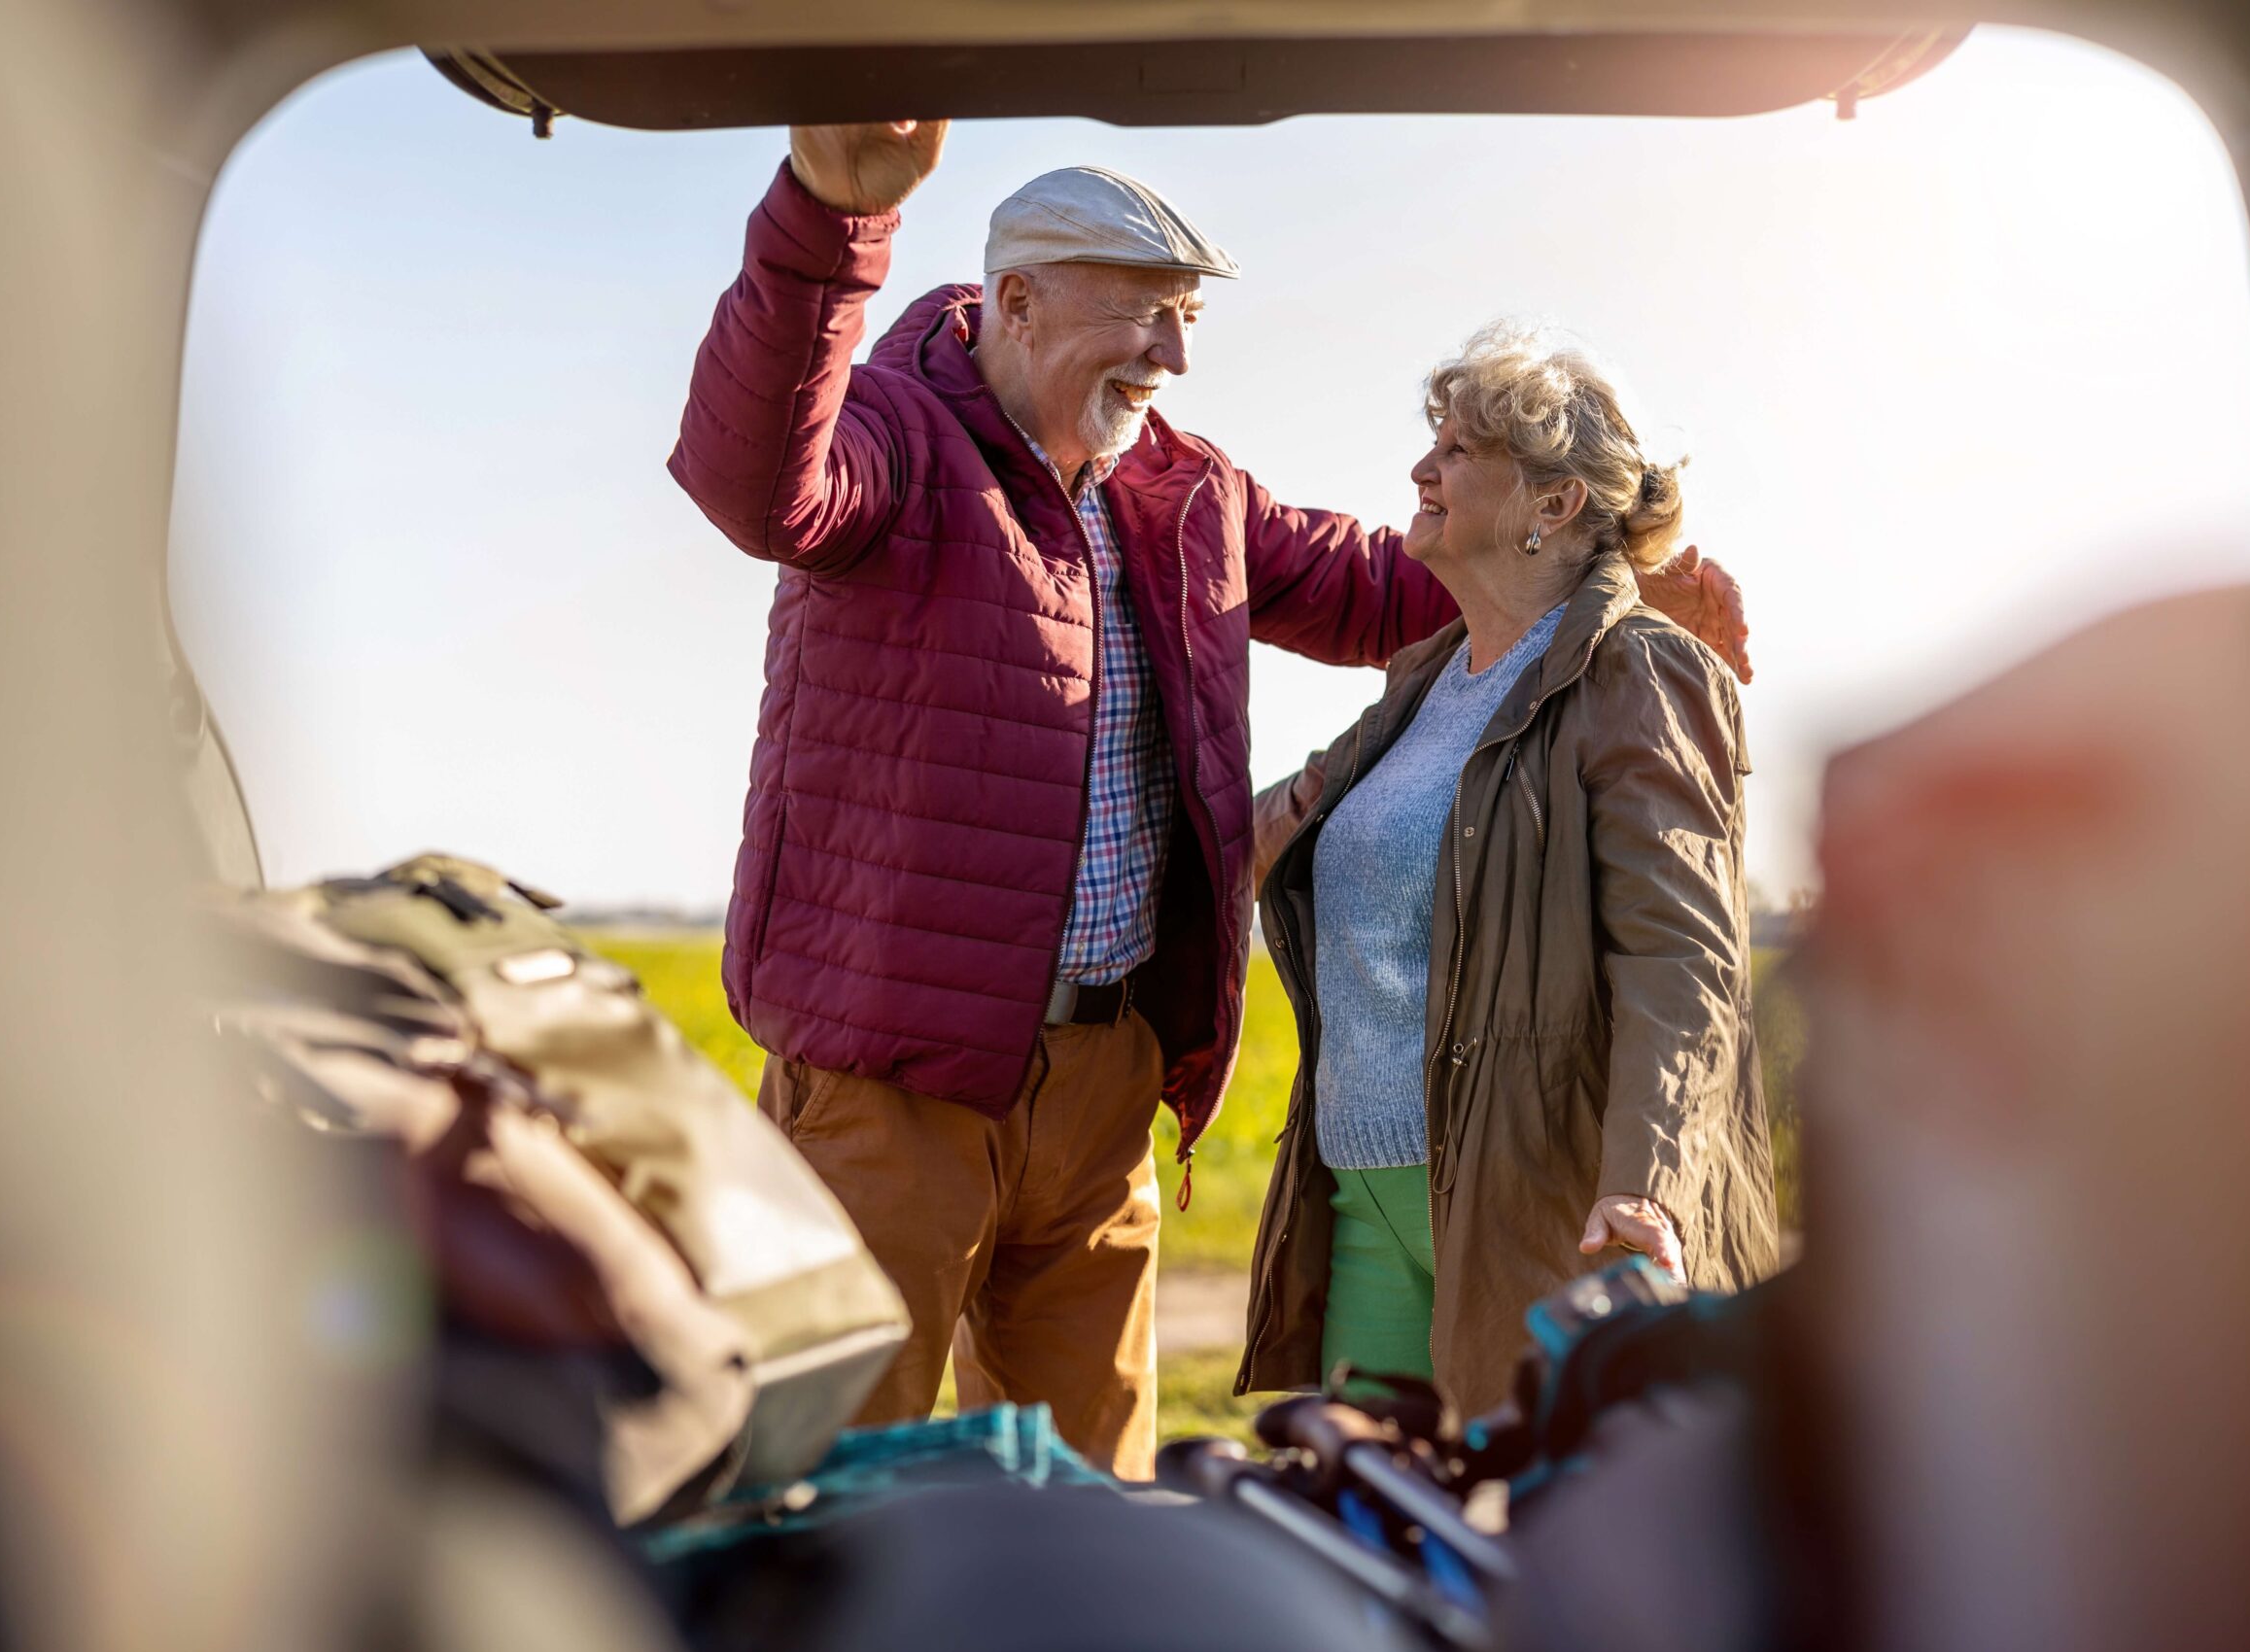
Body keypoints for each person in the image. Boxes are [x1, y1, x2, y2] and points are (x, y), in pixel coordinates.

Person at [668, 120, 1751, 1478]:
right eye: (1143, 317)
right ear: (1017, 301)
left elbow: (1397, 585)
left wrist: (1617, 578)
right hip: (897, 1085)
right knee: (839, 1491)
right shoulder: (889, 442)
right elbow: (752, 475)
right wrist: (831, 220)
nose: (1172, 357)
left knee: (1094, 1502)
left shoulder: (1192, 493)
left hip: (1106, 1090)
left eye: (1185, 322)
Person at [1237, 322, 1781, 1416]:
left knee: (1530, 1537)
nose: (1419, 469)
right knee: (1369, 1525)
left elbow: (1683, 960)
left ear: (1554, 504)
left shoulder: (1641, 672)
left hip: (1541, 1196)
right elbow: (1265, 834)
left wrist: (1650, 1181)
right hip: (1358, 1193)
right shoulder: (1420, 682)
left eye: (1457, 449)